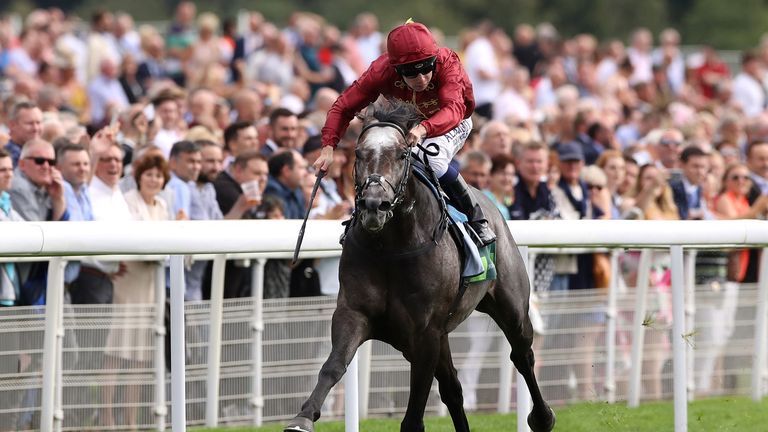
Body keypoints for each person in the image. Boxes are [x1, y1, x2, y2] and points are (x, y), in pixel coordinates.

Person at [315, 20, 495, 246]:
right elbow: (343, 106)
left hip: (453, 118)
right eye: (410, 73)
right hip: (409, 119)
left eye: (426, 68)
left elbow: (454, 109)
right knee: (378, 151)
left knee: (432, 159)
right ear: (395, 68)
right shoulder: (380, 70)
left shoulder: (447, 62)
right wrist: (328, 147)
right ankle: (360, 216)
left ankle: (477, 219)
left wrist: (424, 128)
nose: (421, 80)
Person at [102, 151, 170, 428]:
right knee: (117, 353)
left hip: (151, 287)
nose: (153, 179)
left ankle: (130, 419)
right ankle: (106, 416)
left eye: (158, 175)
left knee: (141, 358)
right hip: (128, 285)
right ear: (139, 177)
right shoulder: (128, 202)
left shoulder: (162, 206)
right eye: (149, 174)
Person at [4, 101, 43, 167]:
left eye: (38, 123)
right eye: (30, 123)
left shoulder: (46, 154)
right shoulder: (6, 159)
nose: (36, 128)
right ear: (12, 125)